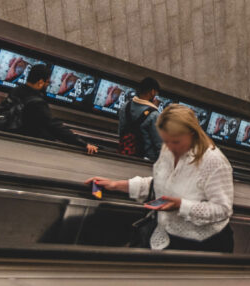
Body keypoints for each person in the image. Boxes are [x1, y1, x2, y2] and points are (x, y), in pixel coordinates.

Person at [87, 104, 235, 252]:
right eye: (166, 140)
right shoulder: (169, 149)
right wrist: (115, 185)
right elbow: (159, 182)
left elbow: (222, 209)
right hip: (166, 238)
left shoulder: (214, 162)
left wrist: (181, 205)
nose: (170, 147)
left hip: (202, 247)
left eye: (176, 141)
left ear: (192, 133)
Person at [0, 63, 98, 153]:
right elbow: (53, 126)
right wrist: (82, 143)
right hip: (21, 145)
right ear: (40, 82)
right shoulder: (37, 102)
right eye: (47, 82)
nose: (48, 84)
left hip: (6, 137)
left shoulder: (16, 90)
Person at [118, 76, 161, 160]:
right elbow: (158, 143)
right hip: (145, 160)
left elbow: (121, 131)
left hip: (124, 154)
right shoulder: (154, 115)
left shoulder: (125, 106)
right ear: (152, 92)